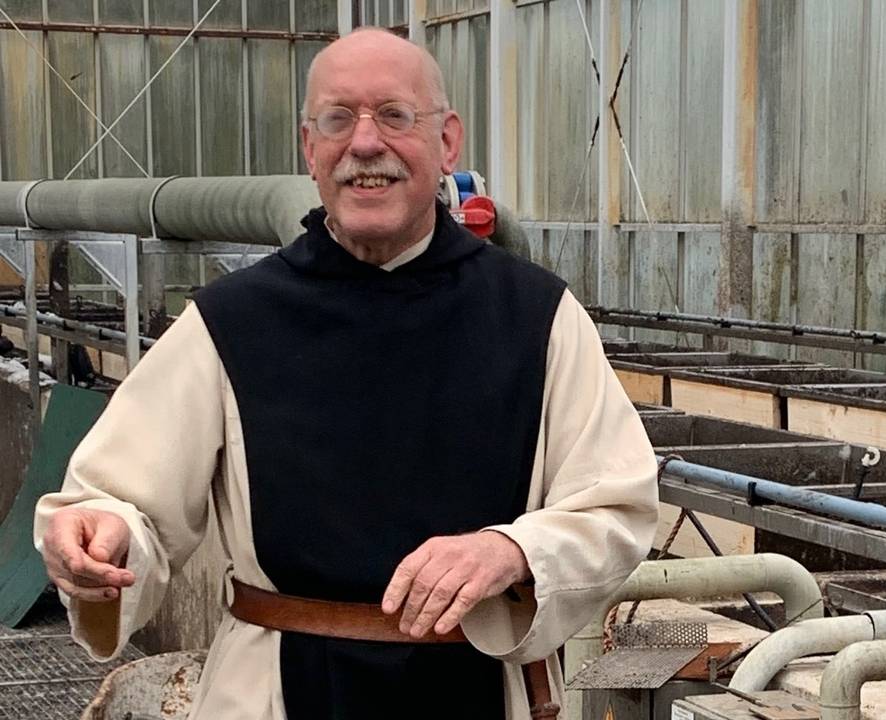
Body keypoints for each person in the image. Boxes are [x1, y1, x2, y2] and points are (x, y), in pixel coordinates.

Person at [34, 27, 658, 720]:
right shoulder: (228, 323)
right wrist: (99, 534)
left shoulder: (538, 317)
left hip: (475, 686)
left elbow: (616, 505)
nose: (366, 144)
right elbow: (126, 502)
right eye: (338, 119)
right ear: (310, 149)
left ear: (447, 141)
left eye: (394, 115)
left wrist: (514, 549)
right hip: (274, 692)